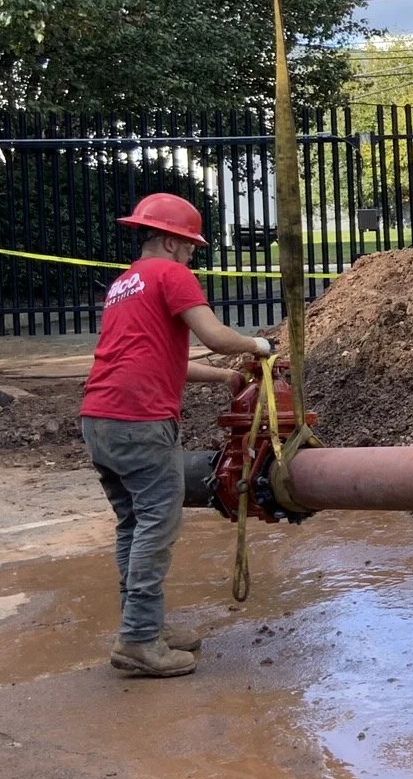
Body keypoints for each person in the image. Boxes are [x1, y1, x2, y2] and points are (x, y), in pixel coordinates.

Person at [80, 193, 272, 678]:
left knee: (132, 524)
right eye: (188, 246)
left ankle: (142, 626)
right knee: (156, 524)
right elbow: (216, 337)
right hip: (139, 421)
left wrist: (225, 378)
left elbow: (158, 359)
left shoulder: (125, 284)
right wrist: (260, 346)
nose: (192, 255)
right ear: (169, 240)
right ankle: (140, 641)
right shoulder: (172, 275)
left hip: (100, 419)